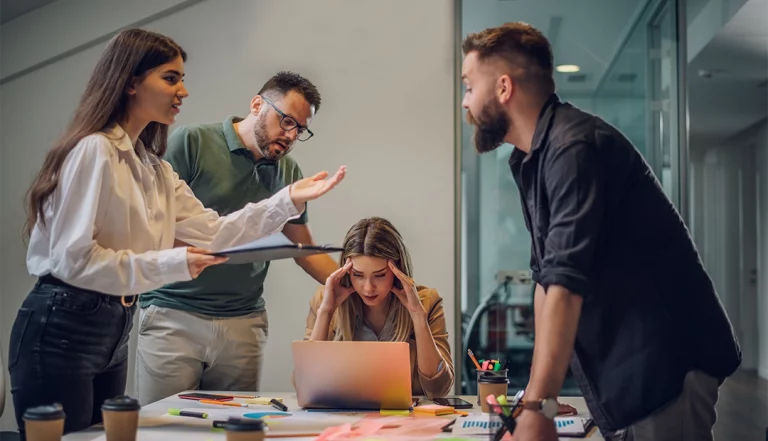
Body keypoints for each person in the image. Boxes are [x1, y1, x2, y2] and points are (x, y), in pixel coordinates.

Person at [8, 28, 345, 439]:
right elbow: (73, 261)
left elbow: (216, 231)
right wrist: (176, 263)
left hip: (115, 321)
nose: (183, 91)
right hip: (64, 320)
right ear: (131, 81)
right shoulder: (94, 149)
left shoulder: (153, 167)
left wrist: (287, 198)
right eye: (171, 78)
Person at [461, 22, 740, 441]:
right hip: (626, 376)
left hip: (665, 370)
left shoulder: (574, 147)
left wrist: (539, 406)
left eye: (468, 86)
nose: (465, 102)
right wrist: (540, 402)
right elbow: (545, 282)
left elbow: (565, 282)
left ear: (503, 88)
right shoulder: (532, 159)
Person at [136, 71, 339, 405]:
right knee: (163, 429)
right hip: (174, 312)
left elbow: (302, 248)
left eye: (300, 129)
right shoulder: (192, 142)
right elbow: (156, 225)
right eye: (286, 121)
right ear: (257, 105)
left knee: (235, 429)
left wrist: (350, 282)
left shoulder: (288, 172)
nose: (290, 135)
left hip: (243, 321)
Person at [303, 217, 454, 399]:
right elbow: (306, 386)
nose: (368, 288)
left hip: (405, 420)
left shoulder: (428, 302)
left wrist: (418, 316)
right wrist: (326, 312)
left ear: (398, 270)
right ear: (346, 271)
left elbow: (438, 389)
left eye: (380, 275)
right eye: (358, 275)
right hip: (343, 417)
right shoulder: (325, 300)